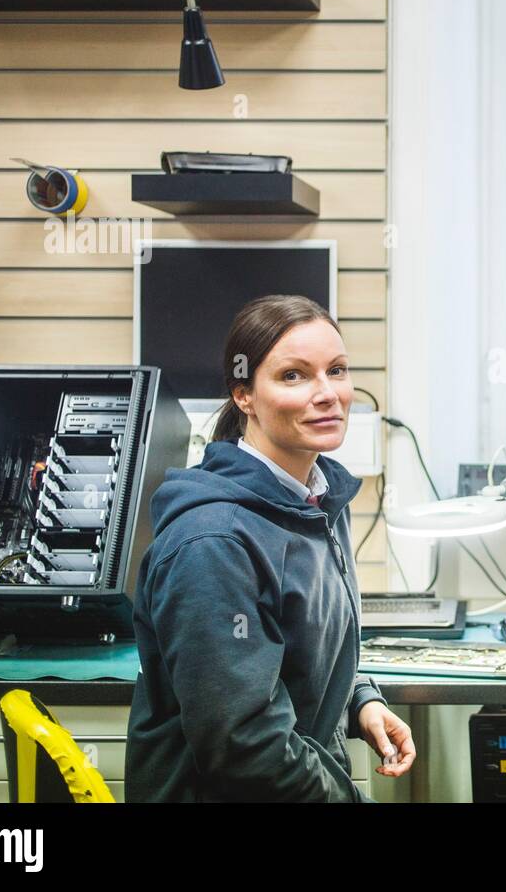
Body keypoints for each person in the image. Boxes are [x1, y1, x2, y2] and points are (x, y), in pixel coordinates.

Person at [126, 294, 415, 801]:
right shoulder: (213, 544)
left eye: (337, 370)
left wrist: (360, 699)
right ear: (244, 395)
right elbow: (247, 749)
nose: (327, 394)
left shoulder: (317, 500)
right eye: (294, 376)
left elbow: (303, 651)